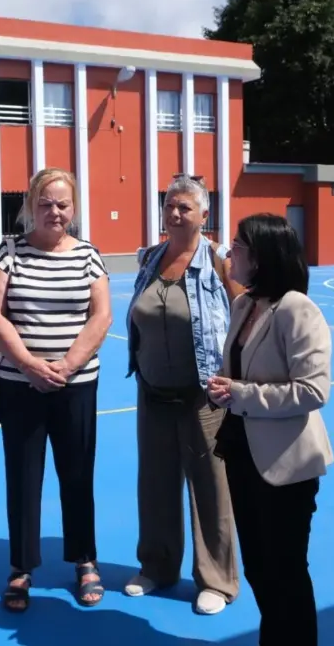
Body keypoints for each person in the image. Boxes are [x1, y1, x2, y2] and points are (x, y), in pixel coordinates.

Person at [0, 167, 112, 611]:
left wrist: (68, 365)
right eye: (45, 203)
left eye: (62, 204)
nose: (54, 212)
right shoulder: (9, 252)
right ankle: (21, 567)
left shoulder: (89, 256)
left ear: (73, 209)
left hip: (77, 387)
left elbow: (101, 317)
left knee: (78, 475)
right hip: (19, 386)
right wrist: (29, 365)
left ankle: (84, 559)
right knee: (23, 477)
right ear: (30, 208)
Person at [206, 213, 333, 646]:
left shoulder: (297, 309)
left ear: (259, 258)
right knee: (259, 567)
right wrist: (220, 389)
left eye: (237, 246)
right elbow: (237, 371)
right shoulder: (243, 305)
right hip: (243, 452)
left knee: (287, 572)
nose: (229, 253)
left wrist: (240, 394)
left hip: (286, 463)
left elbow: (313, 390)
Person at [123, 173, 243, 615]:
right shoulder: (150, 258)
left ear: (204, 216)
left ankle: (216, 579)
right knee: (153, 485)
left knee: (211, 488)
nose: (174, 213)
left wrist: (237, 377)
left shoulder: (219, 262)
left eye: (184, 207)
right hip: (152, 392)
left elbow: (247, 313)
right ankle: (157, 566)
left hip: (203, 397)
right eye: (170, 205)